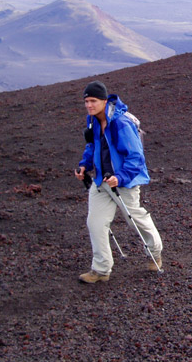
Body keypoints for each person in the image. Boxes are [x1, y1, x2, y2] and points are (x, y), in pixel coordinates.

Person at [75, 81, 163, 283]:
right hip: (101, 181)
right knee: (95, 223)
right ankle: (101, 269)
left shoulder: (121, 123)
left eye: (93, 101)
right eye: (86, 101)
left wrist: (120, 177)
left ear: (104, 101)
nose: (89, 105)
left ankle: (155, 252)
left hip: (123, 182)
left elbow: (136, 157)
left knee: (135, 221)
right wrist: (83, 165)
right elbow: (92, 146)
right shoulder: (93, 121)